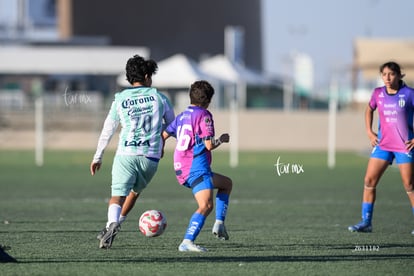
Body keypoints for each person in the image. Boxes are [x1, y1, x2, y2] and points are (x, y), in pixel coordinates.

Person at [90, 54, 175, 249]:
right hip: (150, 158)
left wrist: (98, 156)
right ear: (146, 76)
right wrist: (163, 139)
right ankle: (113, 226)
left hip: (126, 154)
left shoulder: (120, 99)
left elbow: (108, 129)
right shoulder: (160, 98)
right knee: (134, 193)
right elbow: (173, 126)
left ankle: (111, 224)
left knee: (117, 195)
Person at [162, 80, 233, 252]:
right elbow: (209, 145)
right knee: (206, 205)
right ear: (208, 100)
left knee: (226, 184)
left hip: (181, 166)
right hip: (195, 166)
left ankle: (219, 224)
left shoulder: (183, 115)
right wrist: (222, 140)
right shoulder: (205, 115)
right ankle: (186, 242)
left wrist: (160, 151)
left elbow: (164, 134)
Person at [348, 61, 414, 234]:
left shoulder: (409, 94)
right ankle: (366, 222)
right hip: (383, 145)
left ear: (400, 75)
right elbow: (369, 110)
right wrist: (369, 132)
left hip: (404, 146)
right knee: (369, 181)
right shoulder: (378, 94)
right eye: (384, 74)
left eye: (391, 74)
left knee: (409, 185)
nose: (387, 77)